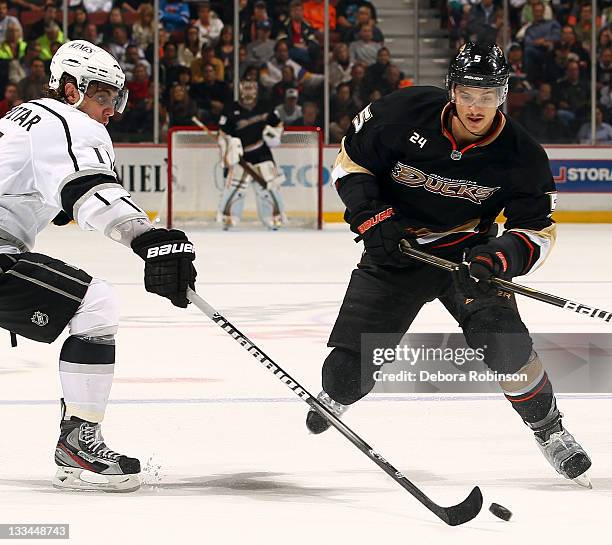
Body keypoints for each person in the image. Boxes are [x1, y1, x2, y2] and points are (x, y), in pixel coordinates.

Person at [305, 41, 592, 487]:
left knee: (506, 346)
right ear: (451, 90)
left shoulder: (522, 155)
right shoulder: (403, 113)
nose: (476, 107)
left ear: (503, 95)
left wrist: (499, 257)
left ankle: (549, 429)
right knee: (342, 375)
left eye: (488, 95)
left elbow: (537, 230)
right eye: (468, 94)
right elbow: (351, 162)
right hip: (395, 252)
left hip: (467, 258)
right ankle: (340, 393)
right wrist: (372, 218)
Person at [0, 40, 197, 492]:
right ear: (70, 89)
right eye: (102, 95)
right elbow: (87, 189)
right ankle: (77, 448)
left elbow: (59, 196)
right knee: (96, 304)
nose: (111, 108)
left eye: (116, 97)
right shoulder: (65, 122)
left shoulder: (25, 116)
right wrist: (147, 238)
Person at [216, 80, 286, 230]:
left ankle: (274, 218)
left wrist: (274, 134)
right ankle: (228, 218)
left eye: (251, 88)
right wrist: (228, 148)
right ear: (240, 89)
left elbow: (278, 125)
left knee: (269, 186)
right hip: (240, 157)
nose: (248, 91)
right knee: (235, 188)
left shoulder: (266, 106)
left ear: (256, 90)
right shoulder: (230, 109)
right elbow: (222, 133)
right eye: (245, 88)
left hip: (262, 153)